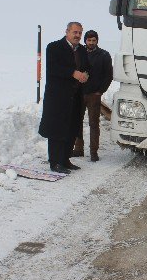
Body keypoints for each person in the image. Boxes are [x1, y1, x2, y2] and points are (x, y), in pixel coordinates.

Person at [38, 22, 90, 174]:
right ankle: (54, 162)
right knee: (57, 130)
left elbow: (87, 67)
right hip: (58, 98)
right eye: (75, 32)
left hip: (75, 97)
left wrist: (86, 74)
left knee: (72, 128)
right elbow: (54, 68)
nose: (78, 35)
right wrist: (73, 73)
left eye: (80, 33)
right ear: (67, 32)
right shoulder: (54, 47)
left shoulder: (82, 50)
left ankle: (65, 160)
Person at [73, 30, 113, 162]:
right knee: (77, 122)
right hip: (78, 93)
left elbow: (108, 75)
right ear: (85, 40)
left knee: (94, 124)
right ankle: (78, 149)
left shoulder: (104, 55)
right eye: (89, 40)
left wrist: (100, 91)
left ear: (97, 41)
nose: (91, 42)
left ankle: (93, 152)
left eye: (93, 40)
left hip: (94, 95)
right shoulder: (77, 52)